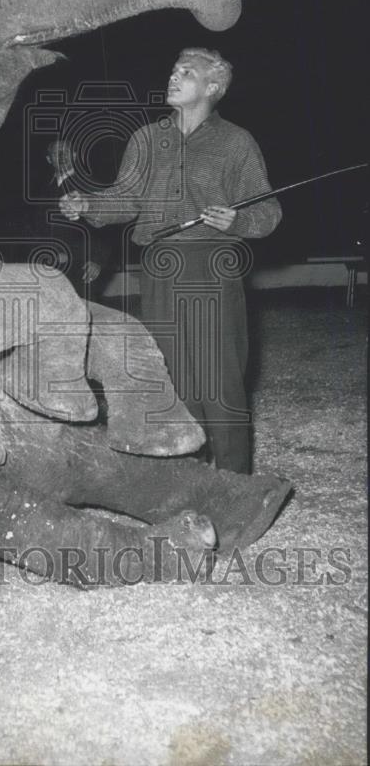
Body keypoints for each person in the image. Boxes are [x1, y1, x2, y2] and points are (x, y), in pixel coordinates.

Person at [60, 48, 282, 473]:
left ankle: (235, 483)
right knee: (174, 379)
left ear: (213, 88)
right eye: (173, 70)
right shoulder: (145, 138)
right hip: (159, 266)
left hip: (214, 262)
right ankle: (189, 475)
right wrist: (88, 203)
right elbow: (124, 200)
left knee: (220, 379)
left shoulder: (236, 142)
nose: (173, 77)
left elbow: (269, 212)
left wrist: (238, 220)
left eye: (187, 72)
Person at [43, 138, 108, 300]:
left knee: (83, 315)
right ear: (49, 159)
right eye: (57, 153)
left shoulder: (90, 185)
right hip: (51, 265)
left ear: (74, 155)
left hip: (84, 267)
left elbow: (107, 225)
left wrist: (98, 260)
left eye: (66, 152)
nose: (62, 156)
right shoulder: (44, 189)